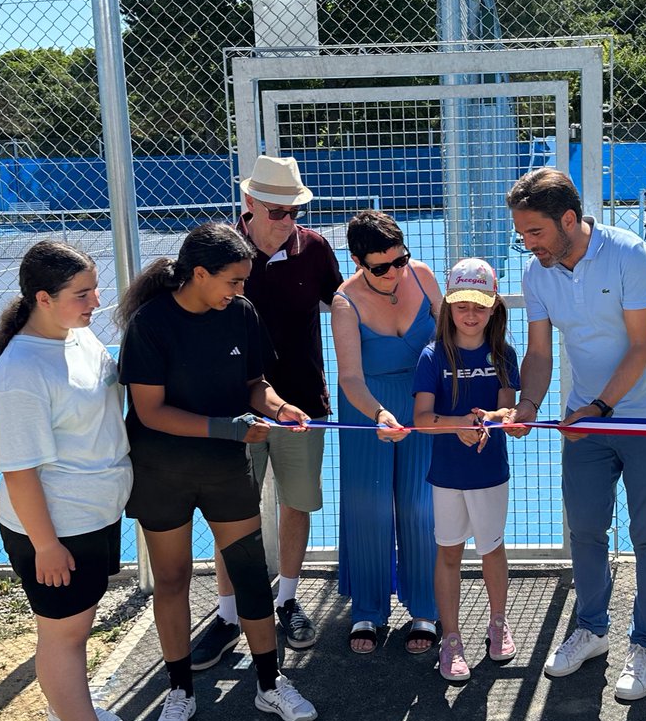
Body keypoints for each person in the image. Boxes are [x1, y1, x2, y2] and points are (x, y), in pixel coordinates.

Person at [117, 223, 318, 721]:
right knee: (174, 578)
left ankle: (270, 683)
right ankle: (180, 690)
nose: (241, 291)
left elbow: (255, 384)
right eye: (232, 280)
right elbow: (149, 411)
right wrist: (225, 427)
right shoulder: (150, 323)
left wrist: (278, 407)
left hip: (226, 467)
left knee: (250, 574)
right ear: (199, 274)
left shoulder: (241, 314)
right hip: (162, 471)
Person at [506, 168, 646, 703]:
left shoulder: (630, 254)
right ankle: (593, 629)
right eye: (521, 234)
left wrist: (600, 407)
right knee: (585, 530)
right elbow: (538, 353)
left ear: (567, 219)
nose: (527, 244)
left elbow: (641, 347)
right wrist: (528, 405)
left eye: (534, 232)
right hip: (585, 422)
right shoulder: (538, 275)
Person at [0, 241, 150, 721]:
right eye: (82, 294)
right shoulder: (21, 373)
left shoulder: (77, 337)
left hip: (93, 513)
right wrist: (46, 544)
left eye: (95, 288)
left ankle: (69, 710)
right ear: (43, 298)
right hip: (56, 527)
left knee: (76, 624)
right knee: (63, 632)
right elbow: (19, 471)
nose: (96, 301)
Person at [190, 156, 342, 671]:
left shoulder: (316, 248)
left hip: (303, 405)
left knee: (297, 505)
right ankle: (229, 613)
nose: (286, 220)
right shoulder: (220, 252)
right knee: (233, 514)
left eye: (294, 210)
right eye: (275, 210)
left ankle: (287, 600)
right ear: (249, 203)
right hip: (234, 413)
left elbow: (347, 303)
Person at [331, 211, 441, 654]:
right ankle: (368, 610)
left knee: (420, 504)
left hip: (422, 403)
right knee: (369, 505)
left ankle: (425, 609)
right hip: (367, 408)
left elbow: (454, 333)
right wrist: (378, 414)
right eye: (380, 267)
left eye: (400, 260)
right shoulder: (344, 302)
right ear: (358, 261)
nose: (394, 272)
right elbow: (351, 378)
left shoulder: (423, 276)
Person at [412, 258, 520, 683]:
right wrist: (457, 426)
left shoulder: (503, 353)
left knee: (492, 548)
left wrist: (494, 417)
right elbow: (421, 418)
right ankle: (452, 638)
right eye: (462, 306)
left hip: (490, 472)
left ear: (493, 307)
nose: (470, 314)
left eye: (479, 305)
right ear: (448, 307)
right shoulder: (432, 355)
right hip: (447, 475)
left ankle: (498, 623)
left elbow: (508, 408)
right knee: (450, 553)